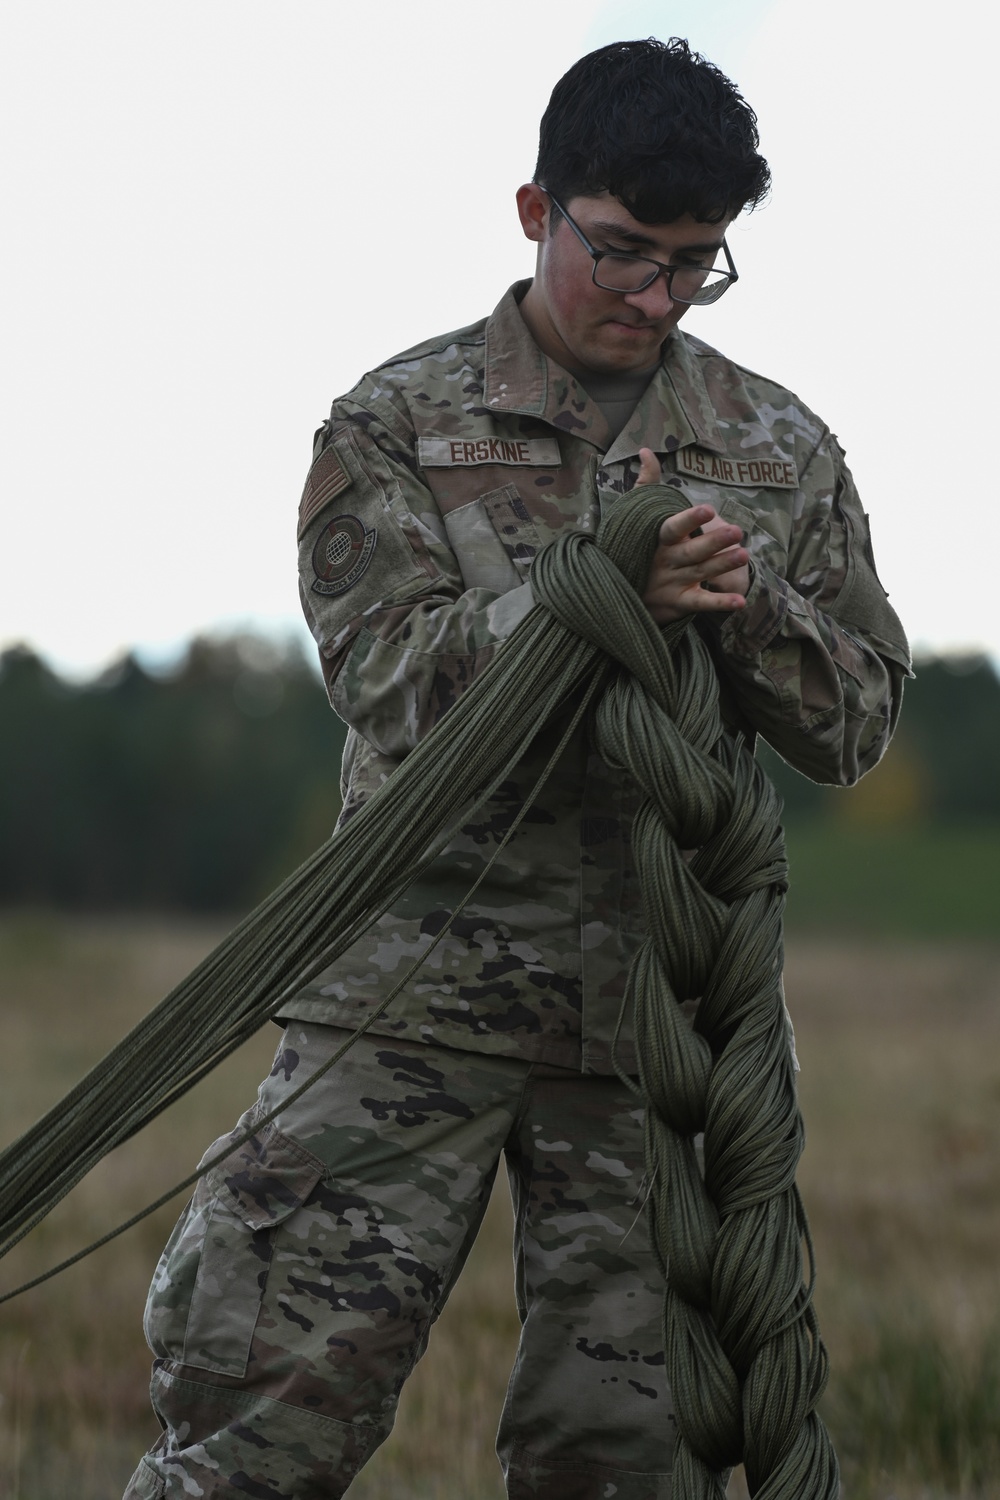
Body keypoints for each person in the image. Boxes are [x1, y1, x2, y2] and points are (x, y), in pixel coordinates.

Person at [124, 36, 910, 1500]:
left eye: (697, 265)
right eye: (620, 252)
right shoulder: (394, 425)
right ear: (534, 210)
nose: (654, 296)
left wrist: (744, 605)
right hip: (410, 1006)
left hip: (657, 1038)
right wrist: (592, 586)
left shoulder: (776, 446)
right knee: (259, 1436)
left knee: (632, 1460)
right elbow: (392, 686)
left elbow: (856, 724)